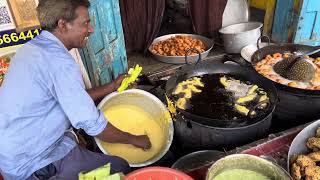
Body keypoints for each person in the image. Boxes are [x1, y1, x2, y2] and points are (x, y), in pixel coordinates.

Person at [0, 0, 151, 179]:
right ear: (63, 25)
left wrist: (111, 87)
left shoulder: (32, 49)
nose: (91, 29)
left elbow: (72, 97)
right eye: (85, 23)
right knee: (121, 167)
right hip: (33, 163)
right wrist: (136, 139)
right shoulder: (59, 62)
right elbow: (94, 125)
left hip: (14, 152)